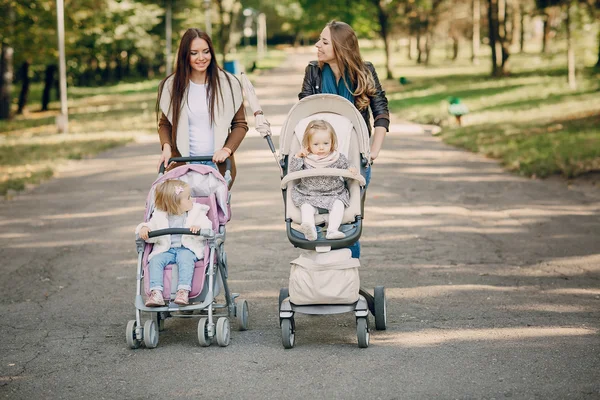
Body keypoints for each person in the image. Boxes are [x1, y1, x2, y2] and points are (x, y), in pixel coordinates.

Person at [298, 20, 390, 257]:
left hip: (354, 159)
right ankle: (321, 274)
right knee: (318, 216)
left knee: (349, 219)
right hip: (319, 157)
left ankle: (348, 273)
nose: (317, 45)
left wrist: (373, 151)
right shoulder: (314, 71)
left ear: (340, 46)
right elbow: (304, 111)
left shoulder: (365, 71)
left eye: (324, 41)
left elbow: (381, 112)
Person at [156, 28, 248, 185]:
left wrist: (226, 150)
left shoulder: (229, 84)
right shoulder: (172, 86)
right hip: (183, 165)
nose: (201, 58)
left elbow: (240, 125)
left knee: (215, 209)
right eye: (194, 53)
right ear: (185, 55)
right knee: (185, 208)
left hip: (218, 165)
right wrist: (166, 148)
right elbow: (165, 124)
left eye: (206, 52)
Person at [136, 180, 213, 306]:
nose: (192, 200)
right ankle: (156, 293)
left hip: (187, 248)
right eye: (188, 198)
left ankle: (183, 290)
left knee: (185, 258)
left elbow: (207, 224)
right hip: (166, 250)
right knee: (155, 260)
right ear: (175, 204)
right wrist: (144, 228)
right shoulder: (160, 215)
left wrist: (198, 227)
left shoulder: (196, 212)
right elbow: (151, 225)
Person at [289, 120, 358, 241]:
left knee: (339, 205)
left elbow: (347, 171)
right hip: (309, 194)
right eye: (316, 144)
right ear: (308, 144)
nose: (321, 148)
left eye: (326, 143)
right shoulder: (305, 158)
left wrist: (351, 169)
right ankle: (309, 229)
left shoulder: (337, 157)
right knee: (306, 207)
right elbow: (294, 171)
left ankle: (332, 230)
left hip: (334, 193)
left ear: (332, 142)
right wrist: (297, 157)